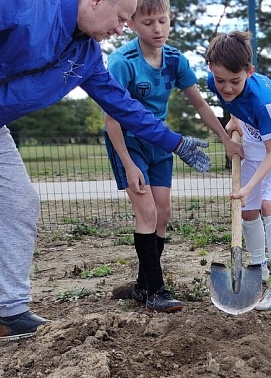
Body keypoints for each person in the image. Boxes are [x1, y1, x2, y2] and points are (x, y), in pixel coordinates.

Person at [0, 0, 211, 340]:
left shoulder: (86, 56)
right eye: (121, 18)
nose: (121, 30)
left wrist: (175, 143)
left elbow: (124, 107)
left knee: (18, 206)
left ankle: (13, 313)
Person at [104, 0, 242, 313]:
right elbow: (111, 119)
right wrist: (128, 164)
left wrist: (225, 140)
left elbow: (201, 105)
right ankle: (156, 291)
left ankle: (142, 285)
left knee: (163, 213)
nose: (157, 29)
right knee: (147, 212)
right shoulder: (122, 61)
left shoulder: (174, 60)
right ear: (133, 23)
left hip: (160, 142)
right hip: (128, 142)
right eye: (148, 22)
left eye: (163, 21)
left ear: (170, 20)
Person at [205, 31, 271, 311]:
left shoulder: (265, 103)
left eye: (235, 81)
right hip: (253, 134)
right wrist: (235, 119)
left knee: (269, 204)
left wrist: (250, 188)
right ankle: (257, 268)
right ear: (211, 69)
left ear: (250, 72)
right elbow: (233, 101)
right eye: (220, 80)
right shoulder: (218, 83)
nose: (226, 87)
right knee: (248, 210)